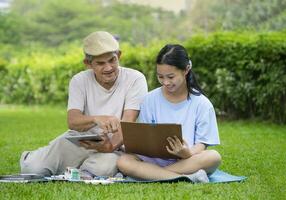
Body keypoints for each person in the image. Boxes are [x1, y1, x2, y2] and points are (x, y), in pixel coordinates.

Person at [20, 31, 148, 177]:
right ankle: (34, 157)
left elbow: (128, 122)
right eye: (100, 63)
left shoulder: (135, 79)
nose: (108, 68)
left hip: (117, 146)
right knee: (32, 169)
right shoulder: (79, 80)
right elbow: (73, 121)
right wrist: (96, 119)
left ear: (119, 55)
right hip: (81, 141)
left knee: (102, 169)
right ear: (88, 64)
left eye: (112, 60)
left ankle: (84, 169)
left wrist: (110, 146)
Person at [117, 44, 221, 183]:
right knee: (124, 161)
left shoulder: (202, 104)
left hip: (186, 161)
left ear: (186, 70)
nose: (165, 82)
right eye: (160, 77)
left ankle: (151, 174)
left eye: (171, 77)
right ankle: (188, 178)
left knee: (213, 157)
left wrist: (187, 153)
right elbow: (146, 136)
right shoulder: (149, 99)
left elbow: (202, 145)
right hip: (153, 159)